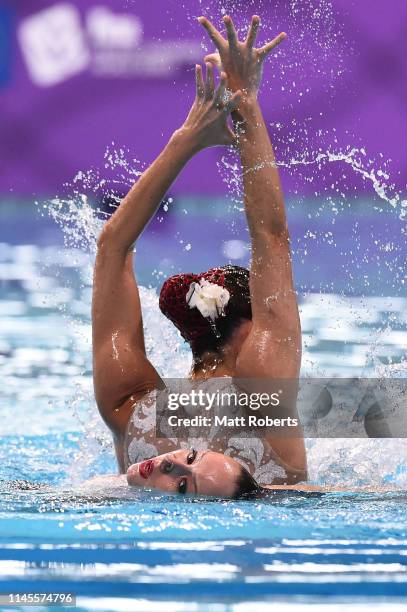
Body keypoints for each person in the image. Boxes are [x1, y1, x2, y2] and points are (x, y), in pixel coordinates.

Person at [92, 15, 307, 498]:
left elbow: (112, 248)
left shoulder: (133, 408)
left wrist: (186, 139)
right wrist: (247, 102)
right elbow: (271, 239)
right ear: (249, 327)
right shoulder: (263, 399)